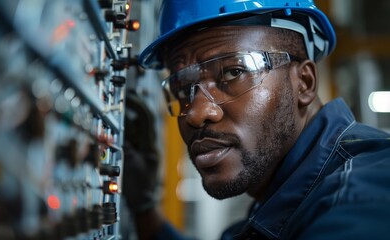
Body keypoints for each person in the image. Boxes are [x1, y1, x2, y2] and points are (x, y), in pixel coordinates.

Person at [122, 0, 390, 239]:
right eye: (182, 89)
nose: (195, 113)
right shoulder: (278, 209)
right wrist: (145, 207)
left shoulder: (361, 200)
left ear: (304, 83)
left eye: (232, 72)